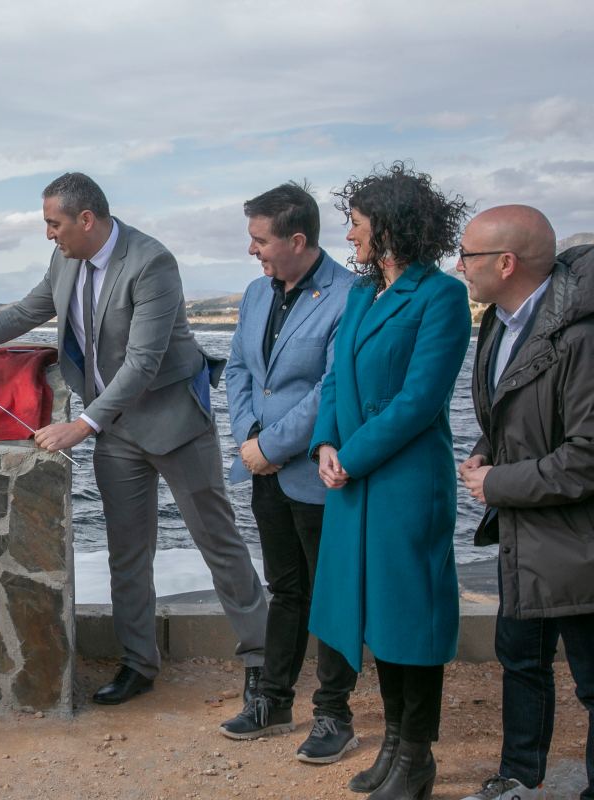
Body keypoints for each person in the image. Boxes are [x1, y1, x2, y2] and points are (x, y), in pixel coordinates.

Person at [0, 172, 268, 705]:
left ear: (86, 219)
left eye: (54, 223)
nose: (49, 234)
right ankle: (139, 663)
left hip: (174, 425)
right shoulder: (63, 259)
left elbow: (143, 362)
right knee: (127, 553)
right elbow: (24, 312)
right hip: (117, 429)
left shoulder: (152, 262)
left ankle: (260, 660)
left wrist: (82, 424)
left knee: (218, 543)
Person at [309, 162, 471, 800]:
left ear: (391, 225)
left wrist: (351, 455)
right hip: (352, 478)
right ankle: (393, 745)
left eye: (355, 225)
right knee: (374, 614)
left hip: (404, 482)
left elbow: (420, 399)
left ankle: (418, 755)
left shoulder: (441, 296)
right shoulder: (359, 292)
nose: (349, 235)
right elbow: (333, 377)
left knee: (410, 617)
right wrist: (325, 441)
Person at [455, 206, 594, 800]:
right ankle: (517, 777)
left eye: (467, 256)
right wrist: (486, 452)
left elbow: (587, 456)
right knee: (521, 660)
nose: (457, 266)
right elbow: (513, 413)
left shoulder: (583, 338)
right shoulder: (499, 322)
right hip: (525, 536)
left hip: (579, 544)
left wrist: (496, 485)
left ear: (506, 264)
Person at [221, 182, 359, 762]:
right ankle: (273, 701)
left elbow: (333, 388)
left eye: (260, 239)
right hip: (264, 469)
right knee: (286, 588)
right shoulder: (256, 293)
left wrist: (274, 445)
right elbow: (237, 369)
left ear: (297, 240)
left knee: (330, 594)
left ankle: (333, 714)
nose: (252, 250)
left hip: (316, 471)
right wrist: (249, 437)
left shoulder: (351, 295)